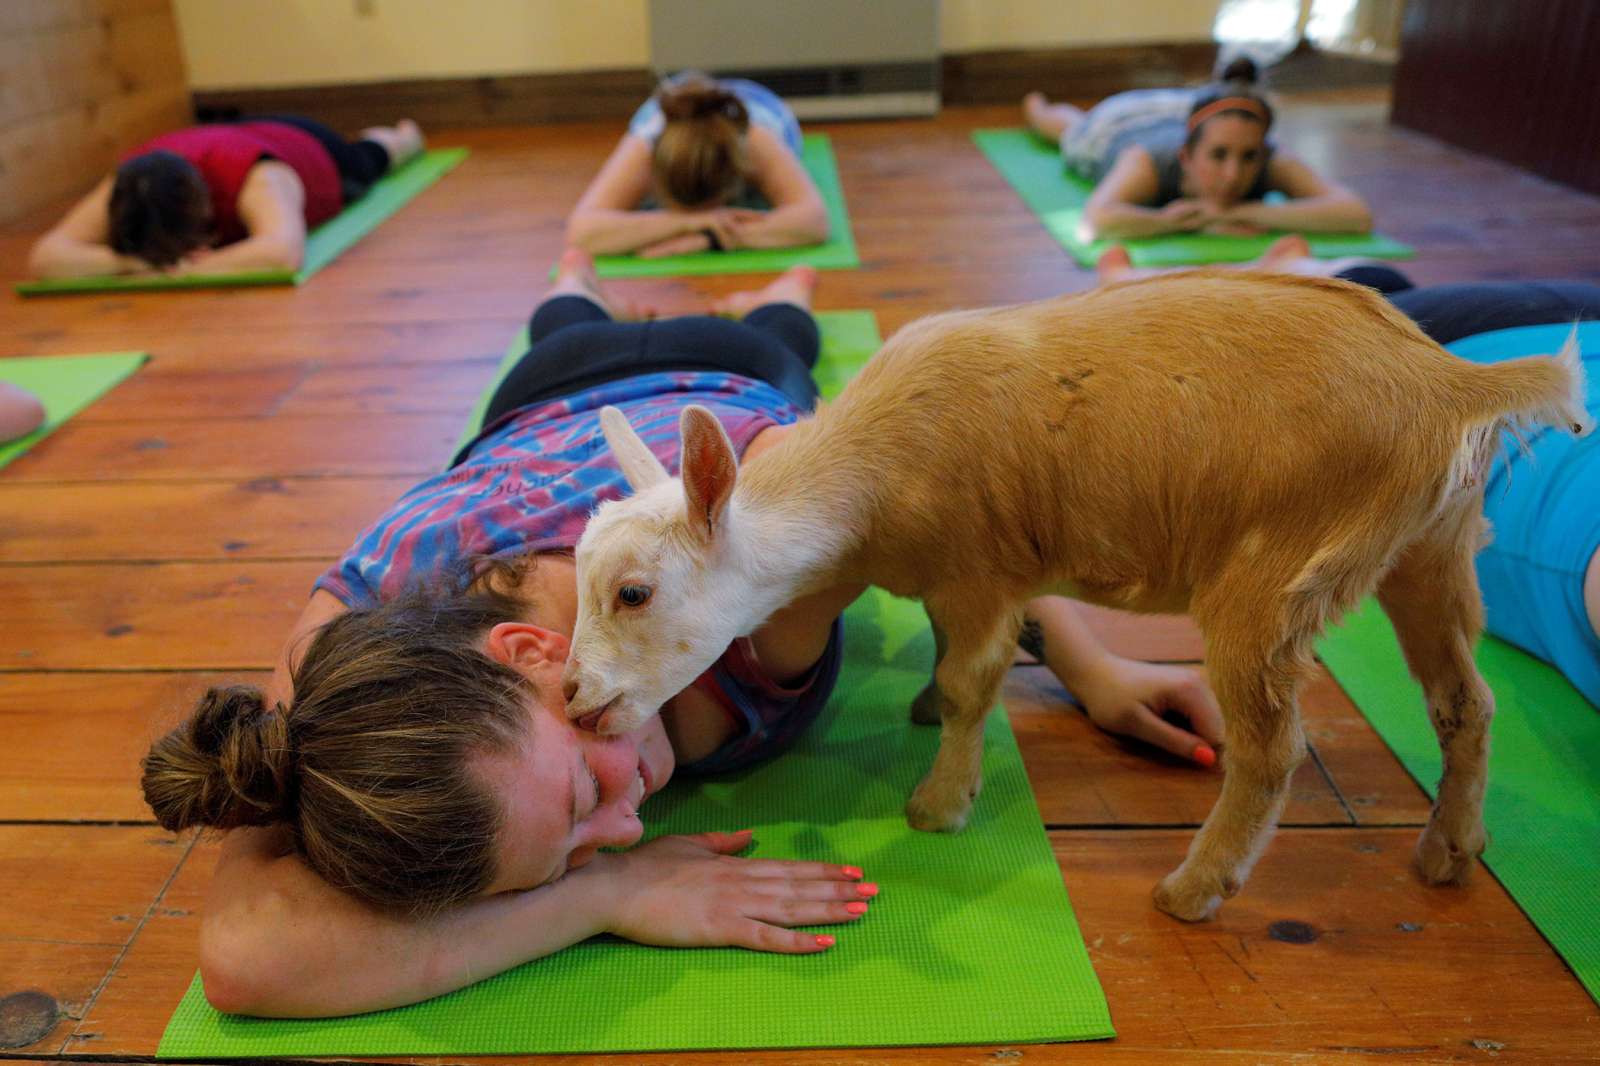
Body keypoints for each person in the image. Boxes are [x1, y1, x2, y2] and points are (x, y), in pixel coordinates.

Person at [139, 251, 1223, 1018]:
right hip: (579, 423)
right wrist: (602, 896)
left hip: (677, 384)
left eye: (584, 797)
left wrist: (1086, 661)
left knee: (743, 328)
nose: (625, 829)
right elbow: (248, 956)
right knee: (666, 323)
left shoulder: (386, 591)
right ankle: (668, 286)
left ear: (528, 654)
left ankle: (714, 282)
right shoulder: (346, 724)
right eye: (574, 859)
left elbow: (946, 514)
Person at [1098, 251, 1600, 706]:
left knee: (1347, 290)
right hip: (1455, 348)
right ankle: (1260, 267)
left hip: (1498, 339)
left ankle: (1296, 264)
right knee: (1316, 301)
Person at [26, 115, 425, 279]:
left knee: (372, 157)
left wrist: (187, 270)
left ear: (204, 208)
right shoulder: (129, 183)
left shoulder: (259, 178)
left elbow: (281, 252)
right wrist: (136, 262)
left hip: (305, 144)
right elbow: (46, 256)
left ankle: (403, 134)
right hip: (224, 134)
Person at [1022, 58, 1372, 243]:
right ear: (1186, 157)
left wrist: (1241, 213)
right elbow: (1096, 220)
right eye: (1218, 156)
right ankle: (1035, 104)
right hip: (1119, 120)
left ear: (1262, 152)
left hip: (1180, 106)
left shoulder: (1269, 155)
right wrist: (1169, 221)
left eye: (1248, 157)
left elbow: (1355, 214)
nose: (1232, 175)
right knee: (1068, 128)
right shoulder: (1144, 160)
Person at [565, 72, 829, 258]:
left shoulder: (755, 139)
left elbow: (813, 220)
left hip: (758, 100)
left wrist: (708, 239)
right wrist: (686, 223)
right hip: (681, 105)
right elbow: (582, 231)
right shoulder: (646, 143)